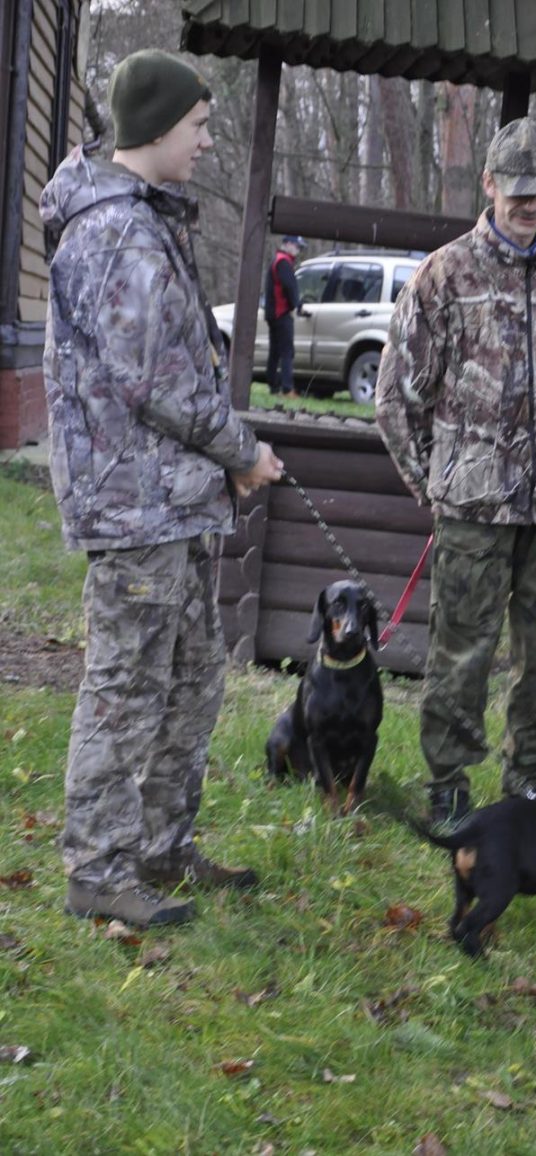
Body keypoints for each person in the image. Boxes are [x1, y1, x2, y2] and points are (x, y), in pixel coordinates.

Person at [39, 49, 284, 927]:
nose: (208, 142)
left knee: (192, 679)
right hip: (132, 506)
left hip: (168, 502)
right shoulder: (115, 235)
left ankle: (159, 846)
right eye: (199, 126)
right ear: (154, 129)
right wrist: (241, 451)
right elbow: (160, 386)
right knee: (126, 689)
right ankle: (98, 871)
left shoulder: (145, 220)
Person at [376, 117, 536, 826]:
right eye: (517, 192)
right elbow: (396, 397)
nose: (529, 205)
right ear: (488, 184)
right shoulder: (446, 274)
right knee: (462, 653)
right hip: (473, 510)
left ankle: (528, 782)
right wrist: (436, 483)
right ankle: (448, 783)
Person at [265, 234, 307, 398]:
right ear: (287, 244)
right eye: (297, 246)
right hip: (281, 313)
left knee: (274, 352)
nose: (298, 250)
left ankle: (273, 386)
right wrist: (297, 305)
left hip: (272, 313)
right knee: (287, 352)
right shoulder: (284, 262)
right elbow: (290, 287)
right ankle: (287, 388)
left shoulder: (277, 260)